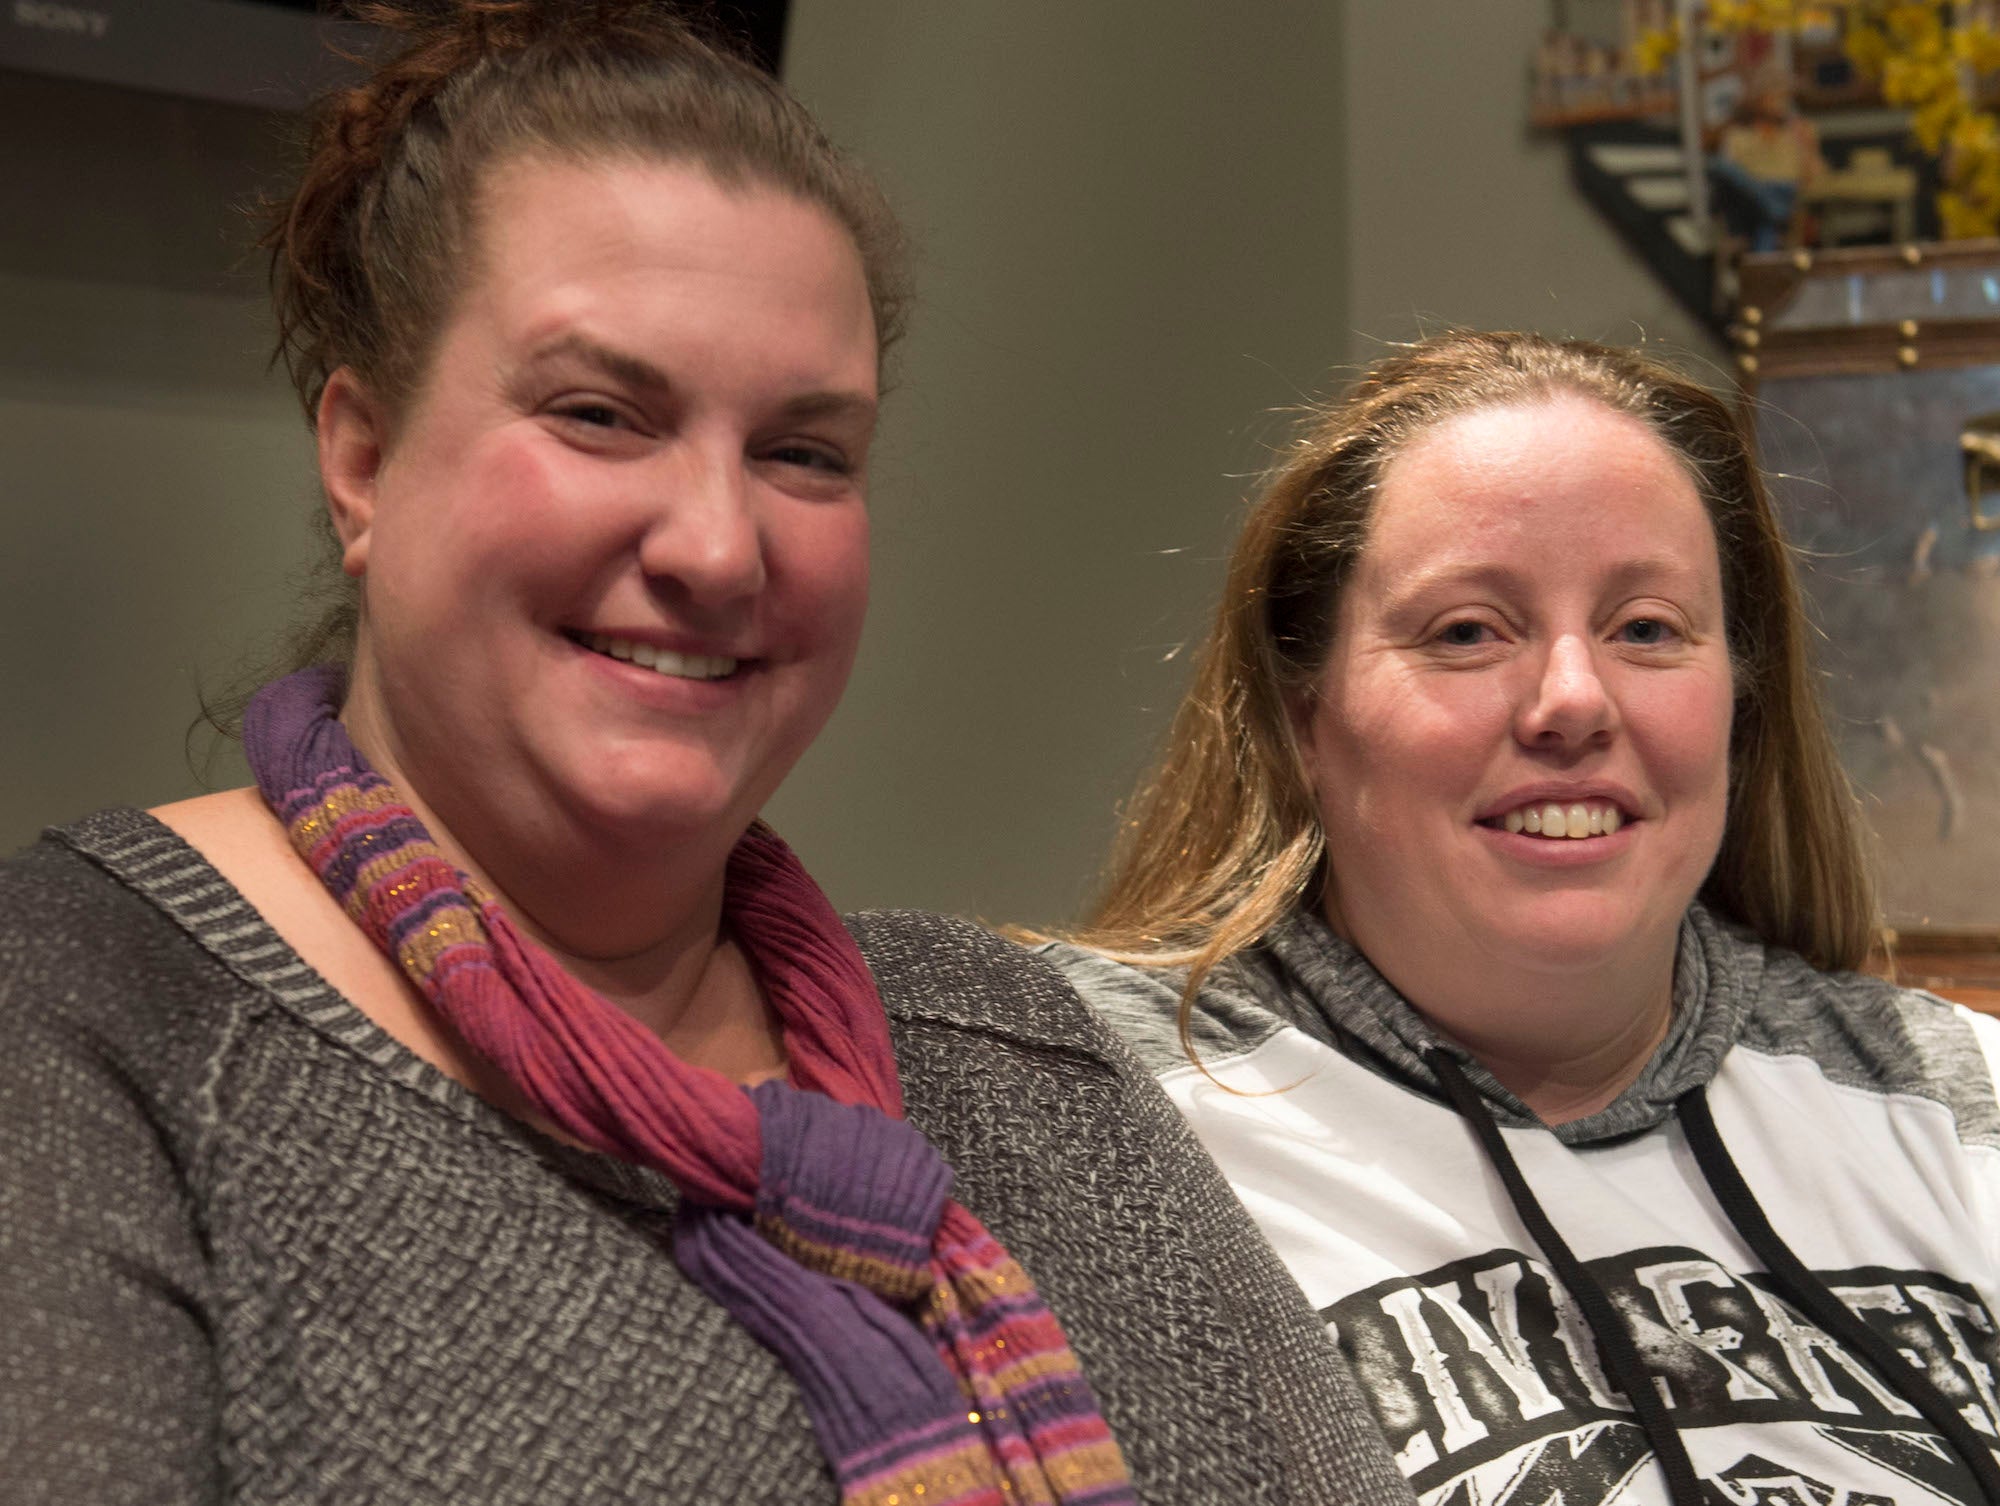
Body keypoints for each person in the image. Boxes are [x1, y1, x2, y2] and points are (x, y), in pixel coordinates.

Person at [0, 7, 1419, 1503]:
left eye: (804, 452)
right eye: (602, 415)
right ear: (362, 459)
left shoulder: (1017, 1050)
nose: (718, 545)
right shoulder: (89, 1017)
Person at [1039, 331, 2000, 1506]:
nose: (1571, 701)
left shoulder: (1950, 1107)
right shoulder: (1087, 1117)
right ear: (1301, 718)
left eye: (1644, 627)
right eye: (1465, 632)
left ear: (1737, 703)